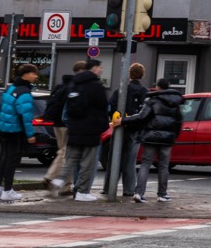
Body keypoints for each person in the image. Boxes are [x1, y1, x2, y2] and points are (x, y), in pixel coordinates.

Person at [58, 58, 113, 201]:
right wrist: (103, 125)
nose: (101, 70)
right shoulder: (95, 86)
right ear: (94, 68)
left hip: (75, 128)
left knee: (72, 158)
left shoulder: (73, 84)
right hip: (91, 129)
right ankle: (82, 191)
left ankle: (59, 180)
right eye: (100, 68)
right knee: (88, 162)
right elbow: (104, 107)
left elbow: (68, 107)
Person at [123, 77, 183, 202]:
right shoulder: (175, 102)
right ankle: (162, 194)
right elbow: (179, 121)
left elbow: (141, 117)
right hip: (167, 139)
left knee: (145, 164)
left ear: (158, 87)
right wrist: (173, 136)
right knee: (163, 166)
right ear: (169, 86)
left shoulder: (152, 100)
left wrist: (124, 120)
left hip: (151, 136)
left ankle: (139, 193)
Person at [0, 63, 39, 202]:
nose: (35, 76)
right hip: (16, 130)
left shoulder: (11, 88)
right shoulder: (24, 92)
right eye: (33, 73)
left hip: (6, 128)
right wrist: (30, 135)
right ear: (25, 74)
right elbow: (25, 116)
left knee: (6, 157)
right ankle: (8, 190)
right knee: (13, 160)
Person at [103, 62, 148, 196]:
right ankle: (129, 190)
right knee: (130, 160)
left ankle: (108, 187)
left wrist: (115, 119)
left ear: (129, 74)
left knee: (113, 158)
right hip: (135, 129)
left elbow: (110, 107)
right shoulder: (145, 92)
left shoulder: (121, 90)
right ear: (142, 75)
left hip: (119, 128)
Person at [42, 64, 79, 190]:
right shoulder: (73, 88)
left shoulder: (60, 86)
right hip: (66, 124)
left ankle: (65, 184)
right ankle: (53, 178)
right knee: (65, 154)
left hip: (56, 124)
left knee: (62, 151)